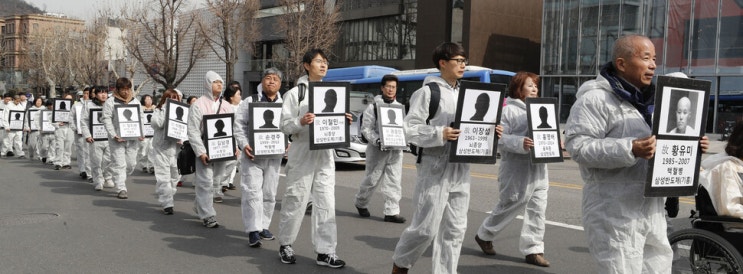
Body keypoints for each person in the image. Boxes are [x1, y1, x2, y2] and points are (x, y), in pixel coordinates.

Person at [564, 34, 709, 273]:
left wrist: (692, 148)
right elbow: (578, 147)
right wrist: (629, 147)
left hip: (653, 210)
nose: (653, 64)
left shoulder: (654, 103)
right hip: (613, 212)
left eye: (654, 59)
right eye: (646, 58)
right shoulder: (595, 99)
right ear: (621, 64)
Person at [391, 42, 471, 274]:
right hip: (434, 168)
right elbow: (408, 128)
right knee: (426, 228)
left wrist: (489, 133)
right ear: (442, 63)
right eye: (458, 60)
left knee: (455, 229)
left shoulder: (467, 93)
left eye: (464, 60)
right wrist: (439, 133)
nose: (463, 65)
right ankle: (401, 264)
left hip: (461, 168)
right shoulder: (427, 92)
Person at [277, 49, 350, 268]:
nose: (323, 65)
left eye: (326, 62)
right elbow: (283, 125)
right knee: (296, 199)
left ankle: (325, 251)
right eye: (319, 61)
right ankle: (286, 244)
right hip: (302, 152)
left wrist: (343, 120)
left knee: (326, 202)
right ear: (307, 65)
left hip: (325, 153)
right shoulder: (296, 94)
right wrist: (301, 121)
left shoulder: (333, 91)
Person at [472, 71, 551, 267]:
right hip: (516, 167)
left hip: (540, 169)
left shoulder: (541, 109)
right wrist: (519, 142)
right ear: (518, 88)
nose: (534, 89)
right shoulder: (507, 110)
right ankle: (485, 234)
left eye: (535, 85)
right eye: (530, 85)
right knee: (510, 203)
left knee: (538, 209)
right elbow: (498, 139)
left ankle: (533, 249)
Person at [234, 67, 285, 248]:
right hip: (253, 155)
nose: (272, 81)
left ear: (280, 84)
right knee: (252, 191)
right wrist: (244, 144)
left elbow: (288, 128)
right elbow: (239, 125)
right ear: (262, 81)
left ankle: (264, 225)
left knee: (270, 192)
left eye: (275, 79)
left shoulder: (284, 103)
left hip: (274, 155)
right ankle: (253, 229)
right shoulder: (250, 101)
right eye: (268, 78)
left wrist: (288, 142)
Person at [354, 74, 406, 224]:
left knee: (394, 181)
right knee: (372, 179)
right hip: (377, 150)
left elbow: (404, 128)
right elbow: (366, 129)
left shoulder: (399, 107)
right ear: (382, 88)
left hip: (395, 150)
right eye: (388, 86)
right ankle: (361, 202)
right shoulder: (373, 107)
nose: (391, 90)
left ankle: (391, 212)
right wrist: (377, 140)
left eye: (393, 87)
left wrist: (405, 140)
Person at [187, 70, 237, 228]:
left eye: (221, 82)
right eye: (215, 82)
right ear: (208, 84)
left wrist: (234, 146)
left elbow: (233, 128)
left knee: (216, 181)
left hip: (222, 148)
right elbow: (193, 130)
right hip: (205, 148)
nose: (219, 85)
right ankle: (208, 214)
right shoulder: (198, 105)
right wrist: (201, 151)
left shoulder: (227, 106)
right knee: (205, 182)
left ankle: (199, 205)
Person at [102, 78, 145, 199]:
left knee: (131, 164)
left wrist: (142, 132)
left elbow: (141, 118)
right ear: (117, 89)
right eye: (123, 89)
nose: (126, 92)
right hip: (117, 138)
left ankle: (109, 171)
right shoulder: (110, 102)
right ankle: (121, 188)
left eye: (127, 89)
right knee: (120, 164)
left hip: (132, 138)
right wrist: (113, 134)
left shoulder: (135, 101)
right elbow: (106, 118)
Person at [150, 89, 182, 215]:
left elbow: (187, 128)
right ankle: (167, 203)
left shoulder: (182, 112)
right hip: (161, 148)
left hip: (176, 149)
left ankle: (167, 194)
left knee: (175, 176)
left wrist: (183, 140)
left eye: (176, 98)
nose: (173, 100)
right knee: (164, 176)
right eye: (170, 98)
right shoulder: (158, 111)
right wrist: (165, 110)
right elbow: (157, 123)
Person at [81, 87, 115, 191]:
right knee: (96, 160)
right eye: (100, 93)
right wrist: (87, 135)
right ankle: (98, 181)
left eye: (105, 92)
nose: (103, 95)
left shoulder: (112, 104)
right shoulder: (88, 105)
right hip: (95, 138)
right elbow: (84, 121)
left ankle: (108, 177)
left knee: (109, 159)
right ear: (95, 94)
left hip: (110, 138)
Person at [70, 88, 92, 180]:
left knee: (90, 152)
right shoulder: (76, 105)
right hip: (79, 132)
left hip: (91, 133)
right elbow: (71, 118)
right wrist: (75, 128)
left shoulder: (93, 104)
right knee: (81, 151)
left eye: (87, 93)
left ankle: (90, 171)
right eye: (84, 93)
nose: (85, 95)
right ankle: (83, 170)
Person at [52, 94, 75, 170]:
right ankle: (58, 162)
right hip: (60, 128)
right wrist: (57, 123)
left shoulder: (74, 108)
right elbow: (51, 120)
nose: (69, 100)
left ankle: (66, 162)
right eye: (67, 99)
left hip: (70, 128)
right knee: (60, 146)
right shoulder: (56, 108)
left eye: (70, 99)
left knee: (68, 146)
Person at [138, 94, 156, 174]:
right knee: (143, 150)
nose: (149, 100)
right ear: (143, 100)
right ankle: (144, 165)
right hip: (144, 133)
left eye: (150, 99)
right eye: (147, 99)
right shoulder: (140, 109)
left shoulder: (156, 109)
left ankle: (152, 166)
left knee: (152, 149)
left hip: (153, 133)